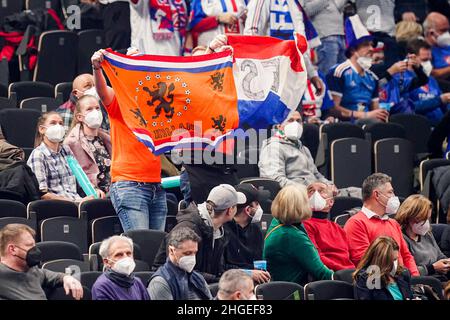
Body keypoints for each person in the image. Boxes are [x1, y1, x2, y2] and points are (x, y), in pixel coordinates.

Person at [91, 49, 168, 231]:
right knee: (141, 247)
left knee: (156, 251)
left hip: (156, 185)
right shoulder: (120, 99)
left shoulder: (158, 103)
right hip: (130, 185)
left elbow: (187, 84)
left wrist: (210, 52)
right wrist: (97, 68)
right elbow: (102, 92)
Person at [153, 184, 246, 283]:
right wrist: (218, 281)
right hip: (173, 286)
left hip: (201, 284)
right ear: (230, 210)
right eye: (236, 206)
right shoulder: (187, 229)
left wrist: (244, 274)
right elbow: (181, 272)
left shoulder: (219, 230)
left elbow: (219, 268)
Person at [344, 173, 420, 276]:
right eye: (390, 192)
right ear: (377, 195)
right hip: (378, 282)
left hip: (402, 281)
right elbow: (364, 261)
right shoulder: (356, 223)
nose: (394, 196)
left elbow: (406, 256)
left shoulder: (393, 223)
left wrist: (415, 280)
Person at [244, 0, 324, 96]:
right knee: (272, 109)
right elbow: (251, 35)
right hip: (269, 72)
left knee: (294, 110)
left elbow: (299, 44)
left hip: (292, 73)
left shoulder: (294, 3)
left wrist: (312, 74)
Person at [264, 184, 334, 285]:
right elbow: (321, 272)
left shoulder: (278, 222)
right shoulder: (291, 235)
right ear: (301, 207)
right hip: (293, 292)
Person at [326, 15, 389, 123]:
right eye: (365, 45)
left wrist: (381, 115)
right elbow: (333, 110)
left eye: (371, 45)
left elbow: (375, 109)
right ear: (352, 50)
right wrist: (364, 115)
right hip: (345, 126)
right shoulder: (338, 72)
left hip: (368, 124)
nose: (371, 49)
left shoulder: (372, 77)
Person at [27, 112, 100, 201]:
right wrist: (77, 202)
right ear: (42, 129)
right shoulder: (38, 154)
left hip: (77, 202)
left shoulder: (66, 150)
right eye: (53, 123)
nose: (58, 126)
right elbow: (43, 195)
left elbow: (81, 177)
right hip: (59, 207)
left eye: (60, 123)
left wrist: (95, 191)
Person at [0, 224, 83, 300]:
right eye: (29, 245)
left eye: (34, 245)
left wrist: (67, 278)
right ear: (12, 249)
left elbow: (51, 275)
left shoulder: (33, 270)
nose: (35, 250)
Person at [258, 111, 334, 189]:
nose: (295, 124)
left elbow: (316, 175)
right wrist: (308, 189)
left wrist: (329, 185)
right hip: (294, 196)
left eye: (298, 121)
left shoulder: (304, 149)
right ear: (279, 125)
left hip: (313, 193)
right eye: (290, 120)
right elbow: (274, 180)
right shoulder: (273, 147)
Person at [64, 95, 112, 195]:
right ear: (79, 117)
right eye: (89, 109)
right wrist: (93, 189)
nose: (95, 112)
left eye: (97, 108)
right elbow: (75, 175)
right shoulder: (71, 143)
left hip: (116, 191)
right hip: (93, 194)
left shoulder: (108, 139)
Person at [223, 183, 271, 284]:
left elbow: (258, 262)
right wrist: (247, 273)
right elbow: (220, 268)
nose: (260, 208)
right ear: (248, 210)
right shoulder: (223, 231)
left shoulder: (256, 230)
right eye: (257, 204)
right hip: (231, 283)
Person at [395, 194, 450, 281]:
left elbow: (439, 255)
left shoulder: (426, 234)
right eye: (422, 219)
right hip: (423, 283)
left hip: (440, 279)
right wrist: (432, 268)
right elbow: (404, 272)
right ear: (409, 216)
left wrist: (447, 262)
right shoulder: (400, 238)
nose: (425, 223)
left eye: (427, 219)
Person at [302, 182, 355, 271]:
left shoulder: (338, 228)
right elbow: (316, 257)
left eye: (321, 191)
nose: (315, 194)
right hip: (332, 275)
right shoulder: (305, 224)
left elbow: (351, 255)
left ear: (331, 201)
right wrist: (345, 271)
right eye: (311, 191)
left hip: (349, 272)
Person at [148, 227, 212, 300]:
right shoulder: (160, 283)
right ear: (171, 251)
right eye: (187, 253)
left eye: (195, 253)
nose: (192, 258)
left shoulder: (198, 278)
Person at [353, 236, 415, 300]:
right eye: (390, 261)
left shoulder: (403, 273)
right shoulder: (365, 278)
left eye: (395, 259)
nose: (394, 264)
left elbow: (410, 296)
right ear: (379, 260)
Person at [407, 39, 450, 126]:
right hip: (419, 129)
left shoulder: (431, 80)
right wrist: (439, 100)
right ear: (411, 58)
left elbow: (443, 105)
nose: (428, 64)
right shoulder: (404, 79)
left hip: (439, 128)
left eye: (430, 60)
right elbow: (409, 107)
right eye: (425, 60)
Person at [92, 235, 149, 300]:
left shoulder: (137, 282)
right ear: (106, 262)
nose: (126, 257)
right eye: (119, 255)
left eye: (128, 253)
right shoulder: (102, 287)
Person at [304, 0, 347, 75]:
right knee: (327, 75)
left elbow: (340, 7)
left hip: (341, 36)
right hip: (325, 37)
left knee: (341, 76)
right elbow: (306, 10)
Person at [423, 12, 450, 81]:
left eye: (447, 30)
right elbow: (432, 74)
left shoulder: (447, 46)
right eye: (443, 30)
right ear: (431, 33)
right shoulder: (422, 50)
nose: (447, 34)